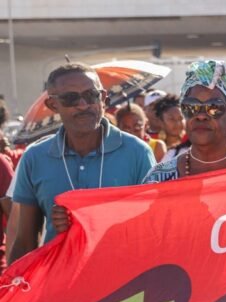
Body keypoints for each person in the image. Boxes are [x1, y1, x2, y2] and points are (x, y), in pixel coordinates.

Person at [8, 62, 155, 264]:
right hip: (59, 278)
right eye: (71, 98)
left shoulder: (137, 152)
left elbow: (152, 227)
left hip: (123, 278)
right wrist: (13, 281)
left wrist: (100, 216)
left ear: (103, 98)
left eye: (91, 95)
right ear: (53, 105)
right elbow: (25, 241)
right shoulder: (35, 157)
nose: (83, 105)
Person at [154, 95, 186, 160]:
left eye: (180, 118)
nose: (177, 123)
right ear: (160, 121)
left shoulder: (192, 142)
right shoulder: (154, 145)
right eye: (172, 119)